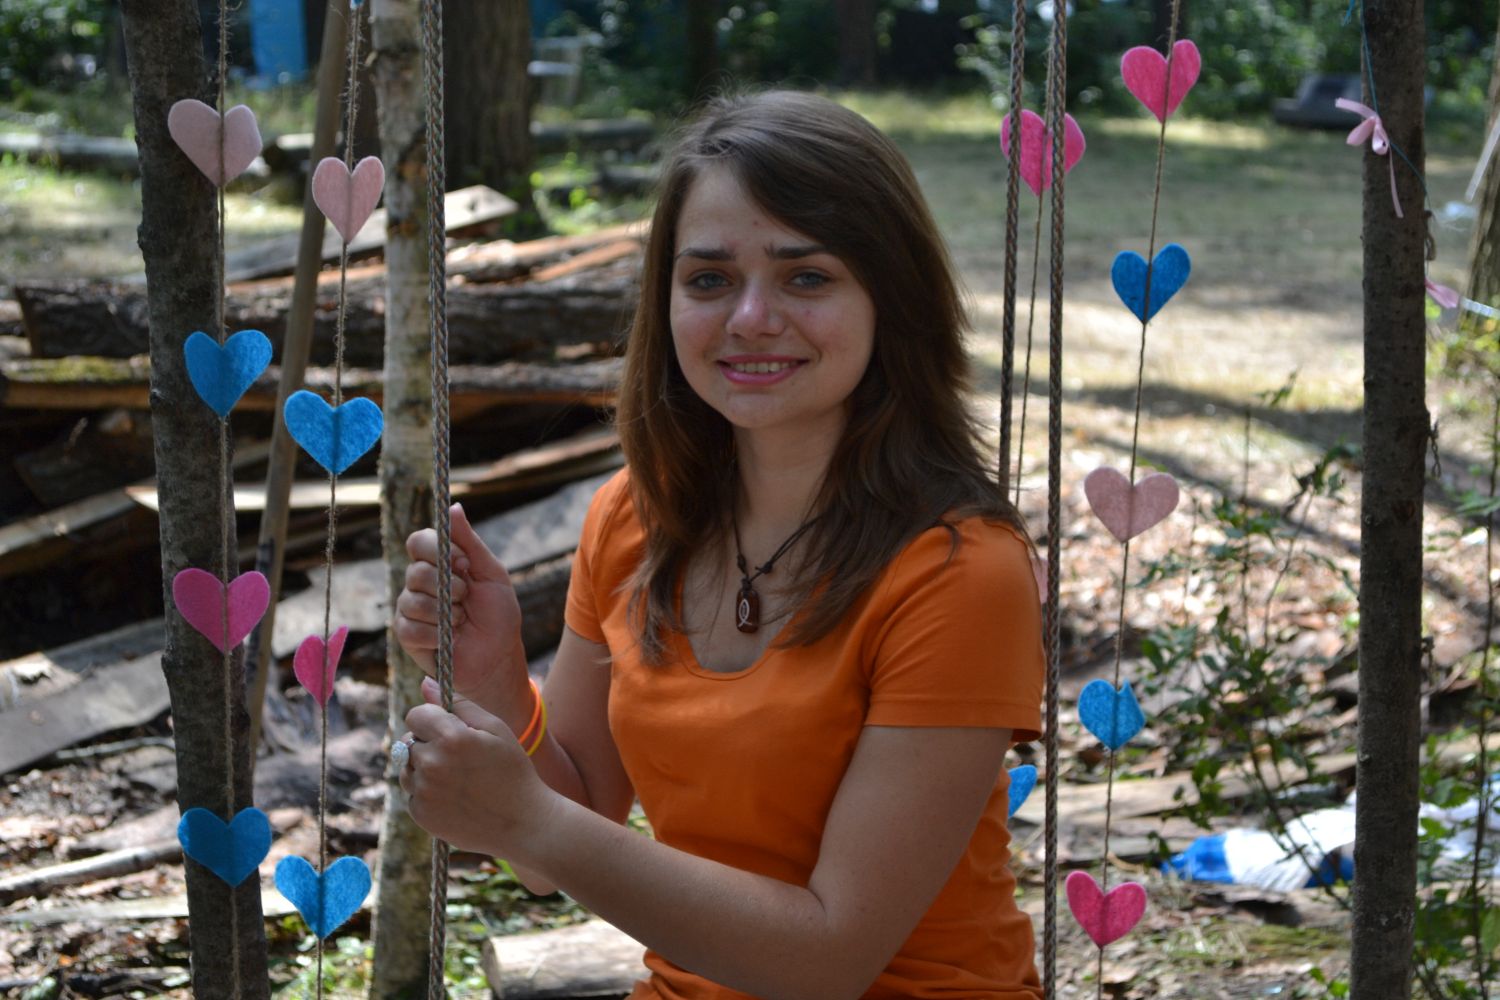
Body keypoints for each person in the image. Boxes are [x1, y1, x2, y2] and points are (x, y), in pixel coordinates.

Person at [393, 89, 1046, 1000]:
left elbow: (826, 962)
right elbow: (557, 846)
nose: (750, 317)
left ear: (891, 299)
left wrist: (531, 822)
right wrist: (500, 681)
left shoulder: (960, 571)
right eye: (708, 280)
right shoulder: (632, 518)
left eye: (805, 277)